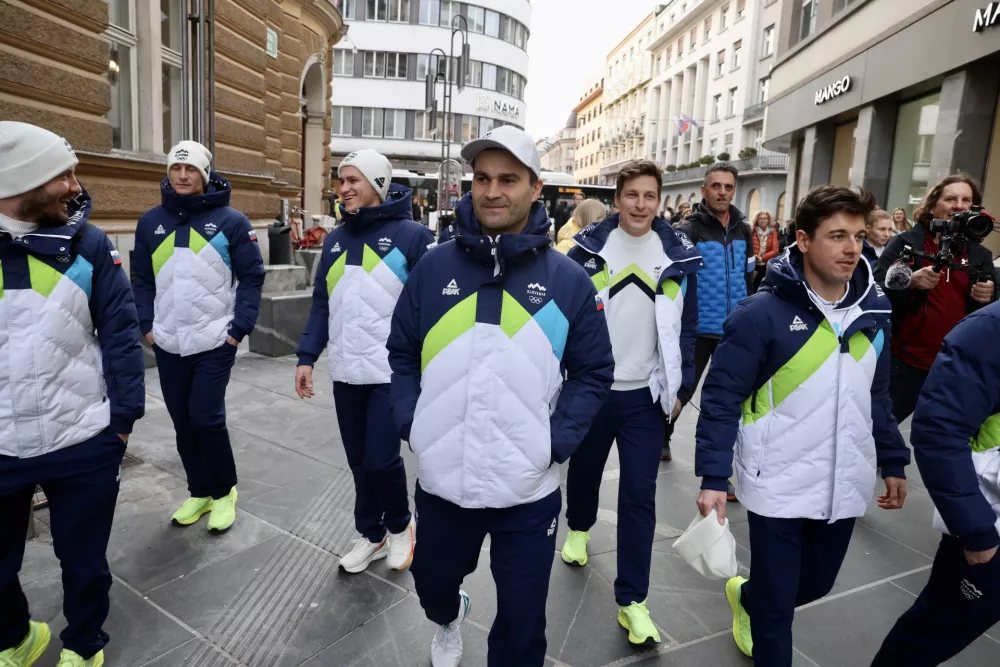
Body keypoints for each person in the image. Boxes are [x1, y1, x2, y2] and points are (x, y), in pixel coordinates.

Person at [387, 126, 614, 667]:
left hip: (528, 489)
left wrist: (554, 444)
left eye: (508, 179)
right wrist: (412, 423)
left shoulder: (568, 281)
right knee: (432, 587)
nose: (492, 191)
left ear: (536, 188)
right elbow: (400, 353)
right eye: (482, 178)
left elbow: (593, 372)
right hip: (444, 480)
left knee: (521, 626)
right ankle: (448, 615)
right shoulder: (432, 268)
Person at [695, 185, 910, 667]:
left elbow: (876, 393)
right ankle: (763, 606)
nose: (852, 248)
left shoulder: (875, 314)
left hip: (844, 478)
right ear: (804, 240)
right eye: (837, 235)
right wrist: (713, 476)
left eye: (857, 235)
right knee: (777, 608)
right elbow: (722, 397)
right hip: (776, 480)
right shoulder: (760, 314)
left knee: (816, 584)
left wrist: (893, 458)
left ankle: (748, 597)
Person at [0, 122, 145, 667]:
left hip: (82, 439)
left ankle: (84, 647)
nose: (75, 185)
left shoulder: (89, 244)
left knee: (83, 562)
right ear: (24, 179)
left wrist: (123, 422)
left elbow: (121, 335)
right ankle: (15, 637)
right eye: (63, 173)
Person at [561, 161, 702, 645]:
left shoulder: (679, 255)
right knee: (583, 471)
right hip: (594, 389)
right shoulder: (585, 250)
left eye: (649, 196)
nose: (641, 205)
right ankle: (578, 526)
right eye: (632, 195)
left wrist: (681, 388)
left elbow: (688, 326)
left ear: (658, 200)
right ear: (617, 199)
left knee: (639, 498)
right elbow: (568, 320)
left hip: (646, 395)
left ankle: (633, 600)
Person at [295, 149, 433, 574]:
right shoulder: (336, 238)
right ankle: (371, 534)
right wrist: (306, 357)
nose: (345, 188)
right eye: (341, 180)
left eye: (354, 180)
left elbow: (429, 308)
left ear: (377, 183)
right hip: (346, 370)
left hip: (390, 373)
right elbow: (323, 304)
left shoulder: (413, 237)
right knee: (359, 461)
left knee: (381, 459)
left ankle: (399, 526)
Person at [132, 140, 265, 533]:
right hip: (169, 340)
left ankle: (224, 493)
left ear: (205, 174)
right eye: (176, 169)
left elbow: (253, 277)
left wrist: (238, 330)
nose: (183, 176)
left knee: (206, 418)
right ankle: (200, 491)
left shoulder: (231, 222)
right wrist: (147, 326)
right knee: (183, 423)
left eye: (191, 170)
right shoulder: (150, 221)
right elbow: (140, 279)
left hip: (214, 341)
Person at [870, 302, 1000, 666]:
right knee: (931, 634)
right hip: (990, 526)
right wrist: (975, 529)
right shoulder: (990, 330)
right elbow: (939, 430)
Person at [873, 174, 997, 423]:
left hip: (955, 366)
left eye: (966, 200)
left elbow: (993, 310)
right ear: (932, 206)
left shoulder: (981, 255)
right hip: (906, 363)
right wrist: (909, 281)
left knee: (942, 439)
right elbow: (875, 288)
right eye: (951, 198)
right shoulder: (906, 243)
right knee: (877, 430)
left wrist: (989, 295)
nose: (959, 205)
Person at [668, 163, 754, 482]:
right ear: (704, 191)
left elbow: (750, 274)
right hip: (699, 329)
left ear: (734, 191)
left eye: (728, 187)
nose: (722, 192)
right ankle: (664, 434)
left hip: (735, 329)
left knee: (723, 400)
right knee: (682, 389)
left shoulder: (744, 229)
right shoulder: (689, 230)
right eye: (715, 186)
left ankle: (717, 474)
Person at [751, 209, 780, 293]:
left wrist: (762, 258)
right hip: (753, 263)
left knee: (761, 287)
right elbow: (748, 246)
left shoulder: (772, 231)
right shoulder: (752, 230)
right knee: (751, 286)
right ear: (757, 220)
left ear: (768, 220)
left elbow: (775, 250)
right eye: (760, 218)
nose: (762, 221)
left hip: (765, 263)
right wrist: (755, 256)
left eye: (765, 218)